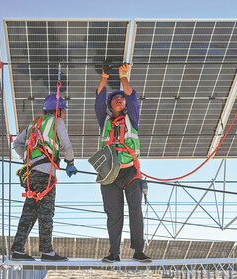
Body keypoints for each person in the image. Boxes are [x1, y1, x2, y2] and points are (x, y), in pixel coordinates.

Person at [95, 63, 152, 263]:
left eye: (121, 98)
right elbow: (99, 99)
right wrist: (104, 77)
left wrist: (123, 77)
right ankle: (114, 253)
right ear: (110, 106)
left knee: (136, 211)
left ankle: (138, 251)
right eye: (114, 98)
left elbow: (132, 96)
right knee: (113, 215)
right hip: (109, 174)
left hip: (130, 173)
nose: (118, 99)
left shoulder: (132, 118)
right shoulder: (105, 121)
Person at [11, 94, 77, 262]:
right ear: (59, 110)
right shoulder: (57, 122)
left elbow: (17, 144)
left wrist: (29, 158)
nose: (64, 114)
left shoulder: (34, 124)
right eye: (63, 111)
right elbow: (66, 144)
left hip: (31, 174)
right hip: (46, 174)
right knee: (46, 212)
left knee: (29, 212)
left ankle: (18, 250)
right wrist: (69, 162)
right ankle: (47, 252)